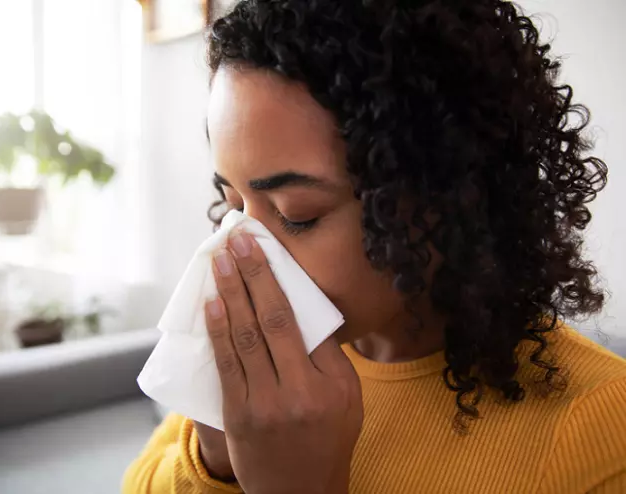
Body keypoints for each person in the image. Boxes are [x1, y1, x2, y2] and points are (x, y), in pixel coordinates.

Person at [123, 0, 626, 492]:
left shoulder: (599, 431)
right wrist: (218, 460)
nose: (243, 251)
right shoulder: (278, 360)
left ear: (444, 197)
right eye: (233, 203)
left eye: (298, 214)